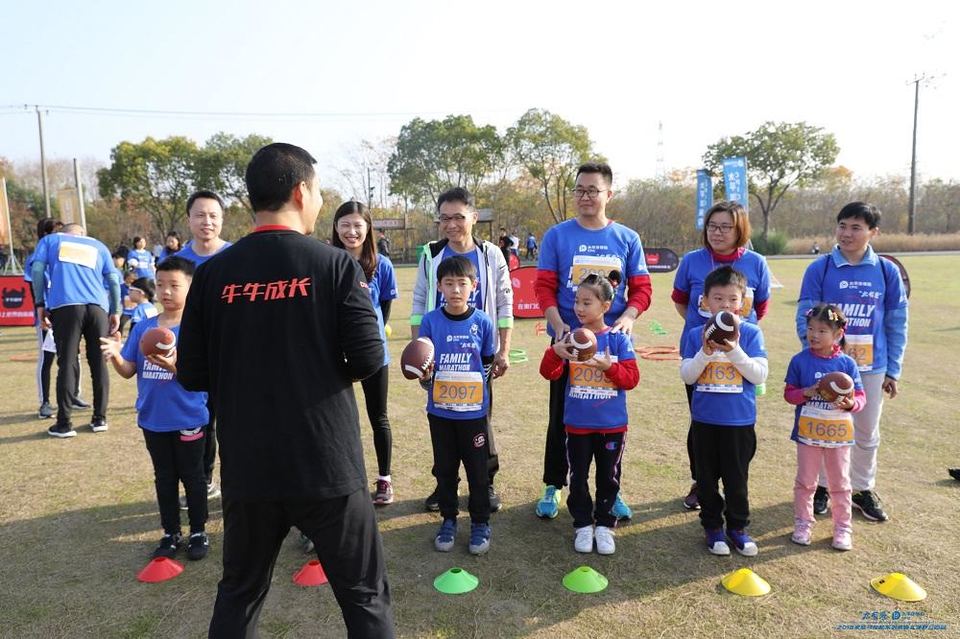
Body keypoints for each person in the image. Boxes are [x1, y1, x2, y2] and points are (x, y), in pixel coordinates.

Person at [176, 142, 393, 638]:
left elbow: (191, 372)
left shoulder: (212, 276)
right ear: (301, 190)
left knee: (240, 593)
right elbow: (367, 357)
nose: (319, 201)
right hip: (327, 464)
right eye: (318, 190)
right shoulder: (336, 267)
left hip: (250, 468)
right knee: (364, 596)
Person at [534, 162, 652, 520]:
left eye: (593, 190)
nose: (585, 197)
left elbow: (642, 289)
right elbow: (543, 286)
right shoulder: (558, 235)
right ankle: (554, 484)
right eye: (579, 190)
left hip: (609, 344)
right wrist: (557, 325)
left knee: (607, 420)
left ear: (608, 194)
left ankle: (610, 491)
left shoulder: (627, 238)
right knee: (563, 418)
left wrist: (628, 317)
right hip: (570, 343)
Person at [796, 202, 908, 522]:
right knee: (821, 426)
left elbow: (896, 323)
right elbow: (805, 315)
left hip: (872, 367)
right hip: (827, 366)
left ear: (873, 232)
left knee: (866, 431)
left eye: (856, 227)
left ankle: (861, 488)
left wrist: (893, 369)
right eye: (842, 225)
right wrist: (815, 356)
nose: (847, 233)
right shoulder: (820, 268)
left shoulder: (886, 271)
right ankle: (819, 487)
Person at [99, 256, 210, 560]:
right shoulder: (144, 327)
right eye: (160, 285)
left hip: (189, 417)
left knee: (193, 476)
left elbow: (206, 376)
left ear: (191, 287)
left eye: (175, 285)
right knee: (164, 477)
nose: (166, 291)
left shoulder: (198, 329)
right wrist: (116, 355)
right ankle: (170, 532)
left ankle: (199, 530)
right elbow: (129, 370)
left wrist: (175, 367)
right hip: (153, 419)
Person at [410, 187, 513, 512]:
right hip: (440, 357)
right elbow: (417, 301)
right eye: (444, 218)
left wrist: (503, 350)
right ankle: (445, 487)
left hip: (476, 354)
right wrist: (420, 349)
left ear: (473, 217)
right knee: (442, 423)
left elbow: (505, 302)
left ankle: (486, 484)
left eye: (458, 217)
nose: (451, 224)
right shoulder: (431, 254)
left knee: (479, 420)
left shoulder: (490, 254)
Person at [671, 201, 772, 511]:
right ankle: (701, 483)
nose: (717, 232)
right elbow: (680, 301)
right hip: (700, 353)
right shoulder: (692, 261)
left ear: (739, 229)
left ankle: (733, 482)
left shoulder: (756, 263)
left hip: (738, 356)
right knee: (700, 422)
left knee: (736, 427)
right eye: (712, 225)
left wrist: (734, 340)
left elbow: (761, 308)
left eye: (725, 226)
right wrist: (703, 332)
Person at [539, 271, 639, 555]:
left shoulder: (618, 340)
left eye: (587, 303)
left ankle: (606, 525)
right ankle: (583, 524)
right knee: (578, 477)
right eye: (577, 302)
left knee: (609, 477)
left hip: (612, 426)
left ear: (606, 306)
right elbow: (550, 373)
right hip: (578, 426)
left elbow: (631, 379)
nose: (579, 309)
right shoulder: (571, 338)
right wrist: (556, 352)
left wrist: (609, 368)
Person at [679, 266, 768, 556]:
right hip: (705, 421)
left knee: (736, 478)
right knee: (706, 478)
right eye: (718, 299)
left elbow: (759, 375)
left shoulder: (751, 334)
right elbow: (687, 375)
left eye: (732, 299)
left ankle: (738, 527)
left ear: (742, 303)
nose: (725, 305)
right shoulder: (695, 334)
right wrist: (705, 351)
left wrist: (732, 350)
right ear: (704, 301)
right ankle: (713, 526)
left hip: (739, 422)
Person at [416, 255, 496, 555]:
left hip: (473, 415)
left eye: (462, 284)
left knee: (477, 471)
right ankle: (448, 519)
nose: (455, 290)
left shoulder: (482, 322)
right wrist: (425, 378)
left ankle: (480, 522)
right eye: (448, 284)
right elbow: (425, 365)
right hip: (440, 413)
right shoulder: (430, 321)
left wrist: (477, 396)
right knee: (445, 469)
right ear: (439, 287)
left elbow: (486, 364)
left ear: (473, 287)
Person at [332, 201, 398, 505]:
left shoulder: (382, 264)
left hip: (372, 354)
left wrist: (371, 340)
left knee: (378, 416)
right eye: (345, 224)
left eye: (358, 224)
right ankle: (341, 478)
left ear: (368, 228)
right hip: (332, 353)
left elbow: (383, 308)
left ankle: (384, 479)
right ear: (335, 227)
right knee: (335, 419)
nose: (351, 231)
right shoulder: (327, 261)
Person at [785, 304, 865, 551]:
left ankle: (842, 528)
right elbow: (789, 394)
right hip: (808, 433)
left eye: (822, 330)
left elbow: (861, 398)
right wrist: (806, 393)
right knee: (806, 481)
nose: (814, 335)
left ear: (838, 334)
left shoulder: (847, 364)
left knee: (840, 483)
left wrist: (851, 403)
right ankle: (803, 523)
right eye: (810, 329)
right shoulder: (799, 360)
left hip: (838, 435)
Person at [30, 223, 120, 438]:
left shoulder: (51, 240)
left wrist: (40, 302)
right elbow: (114, 279)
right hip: (98, 307)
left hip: (66, 305)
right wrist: (115, 309)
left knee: (67, 362)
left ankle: (64, 423)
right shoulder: (98, 245)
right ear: (82, 234)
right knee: (99, 363)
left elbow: (37, 269)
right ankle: (100, 419)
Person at [176, 190, 234, 505]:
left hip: (233, 353)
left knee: (236, 422)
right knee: (201, 421)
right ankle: (204, 479)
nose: (207, 221)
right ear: (189, 219)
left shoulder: (237, 256)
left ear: (222, 219)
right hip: (198, 353)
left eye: (213, 215)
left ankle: (238, 481)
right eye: (200, 215)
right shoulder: (178, 262)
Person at [24, 218, 85, 419]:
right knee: (48, 358)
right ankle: (45, 402)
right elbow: (35, 287)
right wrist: (43, 310)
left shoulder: (67, 254)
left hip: (67, 311)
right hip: (48, 315)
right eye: (58, 232)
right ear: (46, 234)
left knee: (74, 354)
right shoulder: (36, 257)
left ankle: (74, 394)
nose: (63, 237)